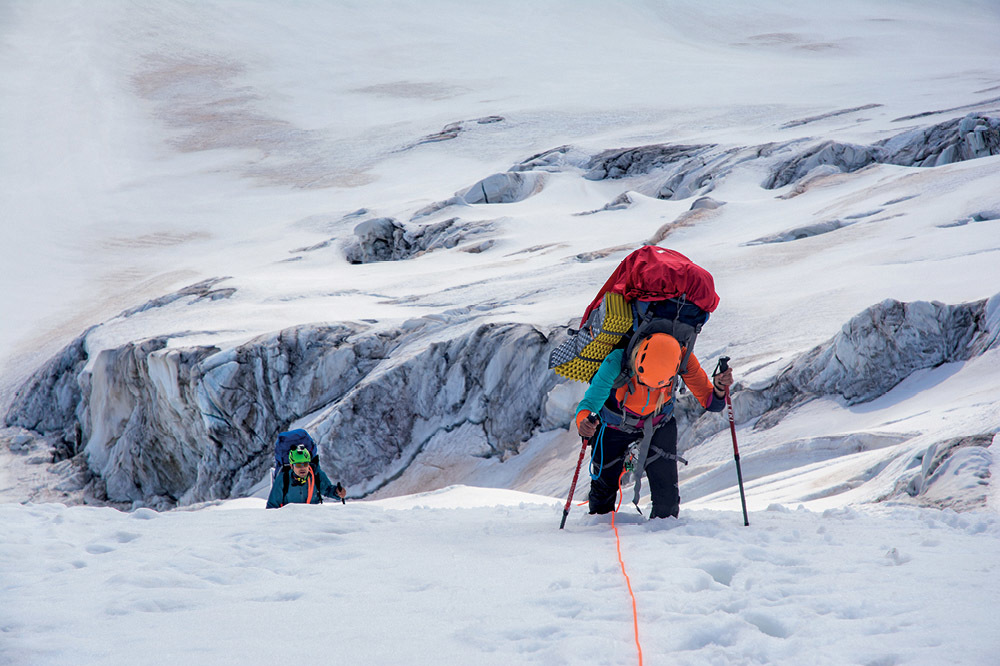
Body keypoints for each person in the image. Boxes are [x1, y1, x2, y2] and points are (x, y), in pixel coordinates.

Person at [575, 331, 734, 519]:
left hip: (655, 425)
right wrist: (583, 422)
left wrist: (718, 388)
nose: (652, 389)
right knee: (601, 504)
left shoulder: (682, 356)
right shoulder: (616, 360)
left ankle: (659, 544)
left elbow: (712, 402)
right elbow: (589, 404)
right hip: (616, 426)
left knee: (667, 507)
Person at [266, 444, 347, 508]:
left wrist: (337, 492)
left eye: (305, 464)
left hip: (313, 519)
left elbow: (328, 489)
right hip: (290, 521)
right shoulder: (283, 478)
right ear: (291, 466)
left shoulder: (316, 475)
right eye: (298, 465)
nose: (302, 468)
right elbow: (273, 505)